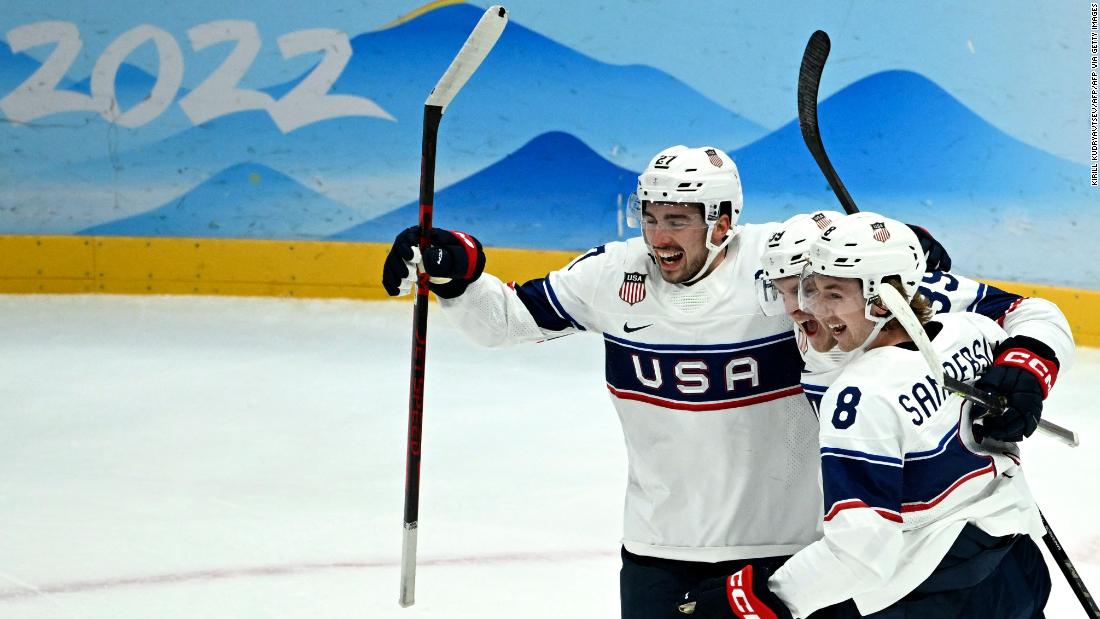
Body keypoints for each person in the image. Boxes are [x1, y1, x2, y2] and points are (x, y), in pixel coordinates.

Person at [383, 146, 977, 618]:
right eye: (650, 216)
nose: (659, 236)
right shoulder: (612, 275)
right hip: (658, 549)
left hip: (788, 547)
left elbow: (901, 287)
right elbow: (505, 322)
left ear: (721, 222)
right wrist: (459, 277)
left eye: (678, 220)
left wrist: (903, 254)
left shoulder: (783, 261)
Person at [681, 213, 1057, 619]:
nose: (797, 309)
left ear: (881, 294)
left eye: (821, 291)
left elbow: (862, 551)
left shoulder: (862, 392)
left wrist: (1028, 369)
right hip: (1009, 550)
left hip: (923, 583)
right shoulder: (969, 329)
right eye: (790, 291)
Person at [757, 211, 1074, 441]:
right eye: (782, 292)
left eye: (806, 291)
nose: (792, 311)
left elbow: (1034, 312)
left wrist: (1027, 367)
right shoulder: (798, 313)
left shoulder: (915, 296)